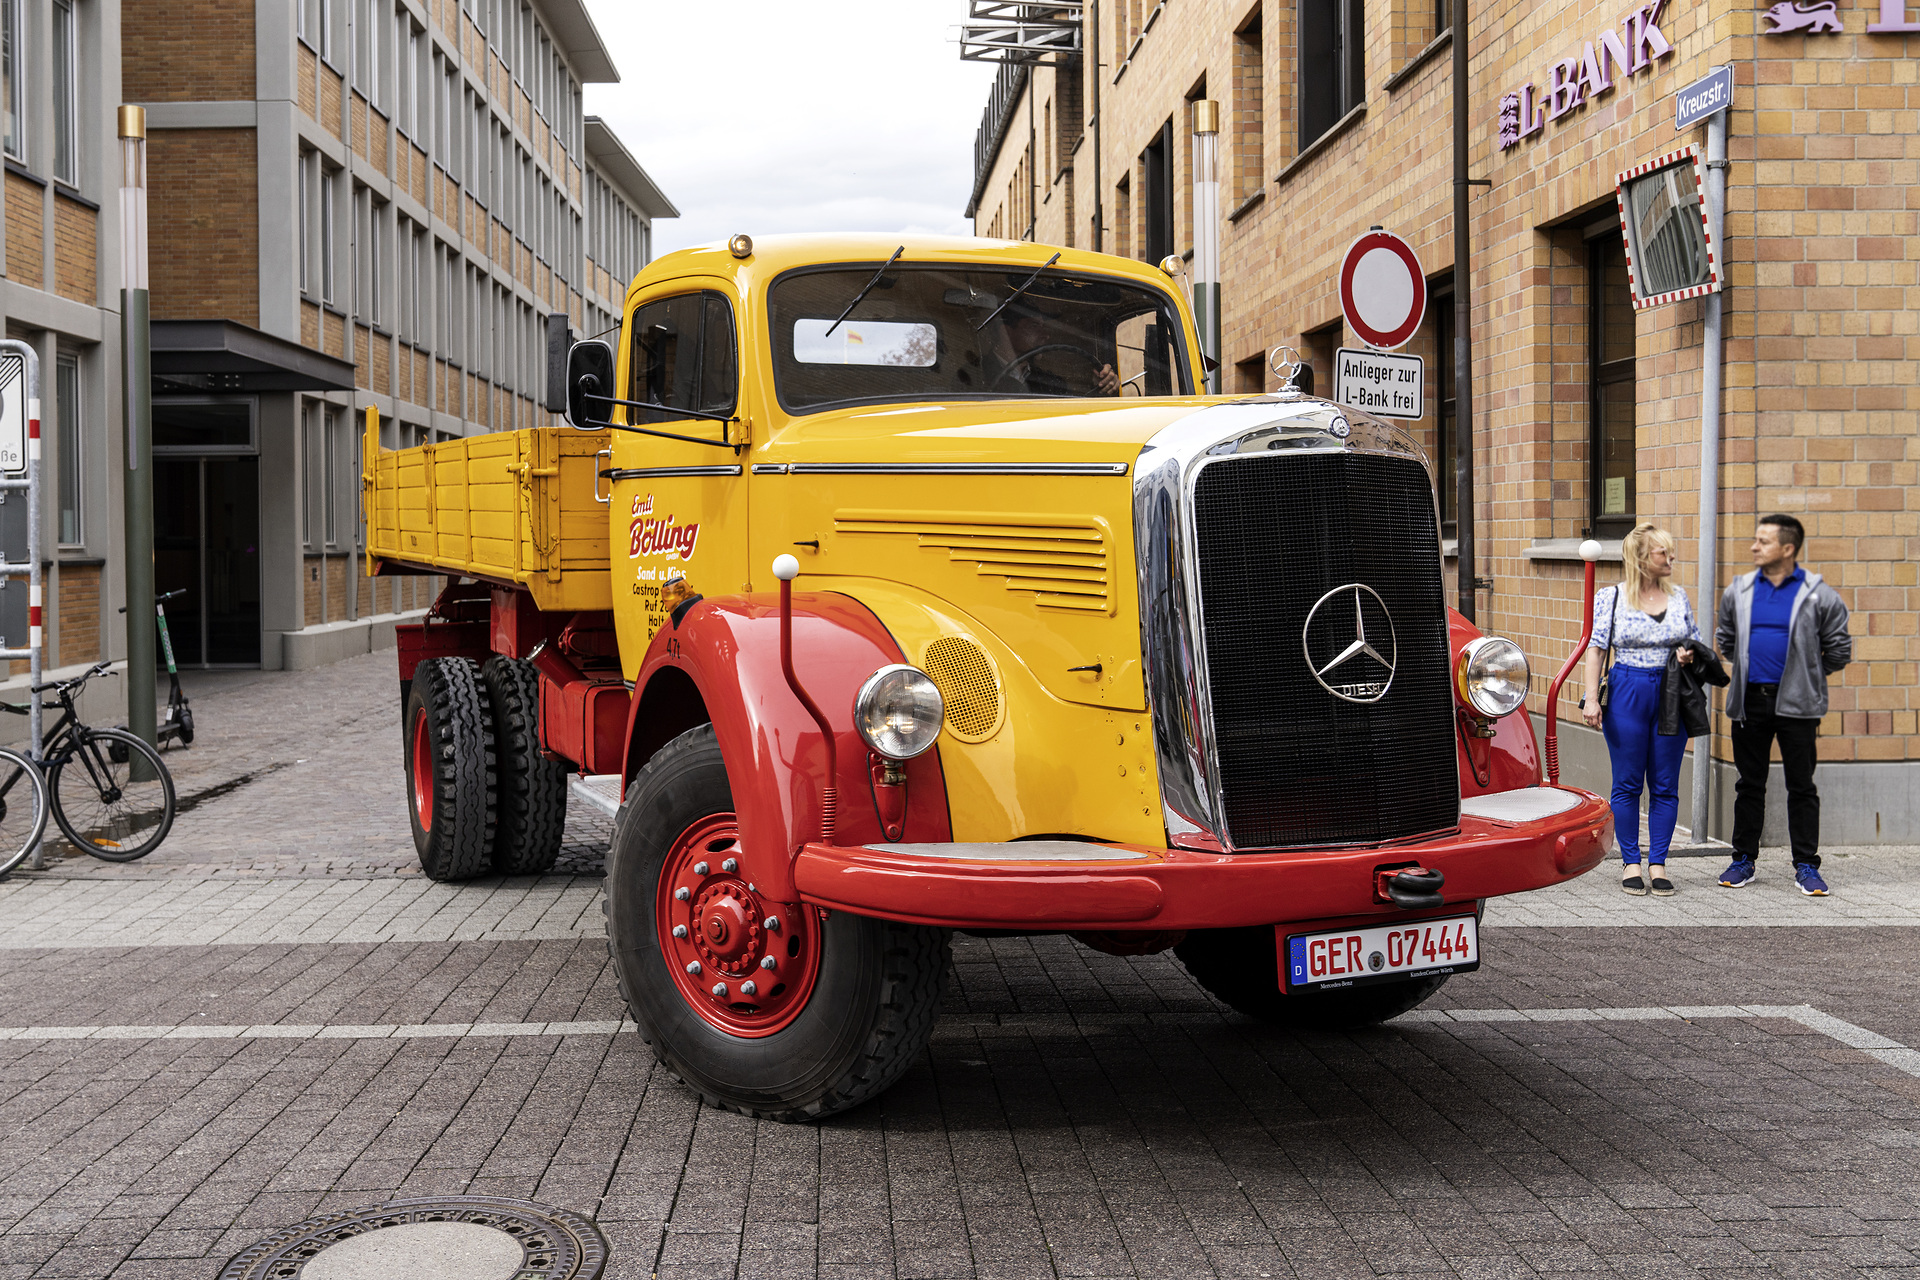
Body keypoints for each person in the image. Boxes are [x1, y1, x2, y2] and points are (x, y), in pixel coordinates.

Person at [1714, 514, 1852, 895]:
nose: (1754, 547)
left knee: (1802, 786)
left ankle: (1806, 866)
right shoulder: (1739, 590)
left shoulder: (1818, 594)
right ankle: (1743, 860)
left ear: (1788, 549)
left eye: (1763, 541)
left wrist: (1804, 676)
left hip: (1797, 706)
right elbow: (1726, 638)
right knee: (1749, 785)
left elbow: (1839, 649)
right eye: (1755, 540)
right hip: (1749, 703)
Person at [1580, 523, 1701, 896]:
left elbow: (1693, 641)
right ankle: (1631, 861)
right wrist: (1589, 698)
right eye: (1663, 552)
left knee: (1665, 783)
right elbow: (1596, 648)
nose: (1671, 558)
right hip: (1627, 689)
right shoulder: (1611, 597)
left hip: (1671, 691)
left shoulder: (1678, 596)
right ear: (1641, 558)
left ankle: (1659, 863)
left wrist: (1689, 653)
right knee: (1628, 782)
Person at [989, 307, 1122, 396]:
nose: (1046, 335)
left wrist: (1100, 386)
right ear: (1006, 331)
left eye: (1043, 326)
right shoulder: (977, 375)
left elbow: (1072, 414)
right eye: (1034, 326)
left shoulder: (1048, 381)